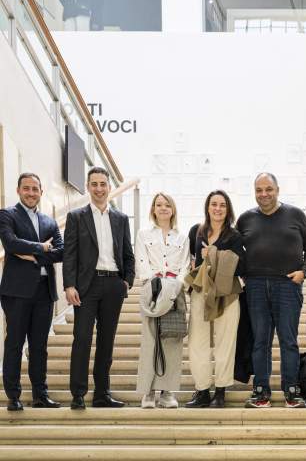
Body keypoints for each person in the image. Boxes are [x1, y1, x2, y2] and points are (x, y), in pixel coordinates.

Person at [236, 173, 306, 408]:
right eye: (259, 190)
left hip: (287, 286)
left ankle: (291, 390)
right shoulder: (245, 219)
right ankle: (261, 391)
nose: (264, 194)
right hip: (256, 287)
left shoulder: (295, 215)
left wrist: (303, 272)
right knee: (260, 341)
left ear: (277, 190)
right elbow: (233, 249)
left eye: (268, 189)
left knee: (288, 341)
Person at [63, 166, 135, 410]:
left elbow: (128, 253)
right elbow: (70, 254)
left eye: (103, 184)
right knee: (82, 339)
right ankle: (78, 394)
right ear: (88, 186)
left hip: (114, 284)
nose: (99, 188)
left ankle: (102, 394)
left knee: (106, 342)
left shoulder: (121, 219)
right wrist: (69, 284)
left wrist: (127, 281)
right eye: (94, 184)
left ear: (109, 187)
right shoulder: (76, 217)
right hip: (87, 285)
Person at [0, 173, 64, 410]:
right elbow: (11, 243)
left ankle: (40, 395)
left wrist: (31, 255)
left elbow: (61, 251)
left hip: (44, 292)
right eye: (26, 188)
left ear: (41, 192)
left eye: (35, 189)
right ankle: (13, 397)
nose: (31, 193)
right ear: (18, 191)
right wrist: (42, 248)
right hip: (17, 291)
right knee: (15, 343)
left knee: (39, 346)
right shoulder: (7, 215)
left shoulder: (49, 221)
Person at [185, 190, 245, 408]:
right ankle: (201, 391)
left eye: (222, 205)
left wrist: (215, 254)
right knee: (196, 342)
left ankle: (220, 393)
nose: (218, 209)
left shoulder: (235, 236)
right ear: (207, 207)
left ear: (227, 209)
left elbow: (242, 265)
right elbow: (191, 261)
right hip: (202, 290)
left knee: (225, 343)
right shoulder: (196, 231)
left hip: (227, 294)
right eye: (214, 204)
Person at [134, 193, 190, 409]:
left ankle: (167, 393)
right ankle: (148, 392)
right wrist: (153, 284)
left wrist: (175, 286)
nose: (163, 208)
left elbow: (186, 265)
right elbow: (141, 260)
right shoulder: (143, 234)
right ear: (153, 209)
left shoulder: (182, 237)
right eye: (159, 205)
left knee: (172, 341)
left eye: (168, 204)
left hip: (175, 291)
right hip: (152, 290)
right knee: (150, 342)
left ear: (173, 209)